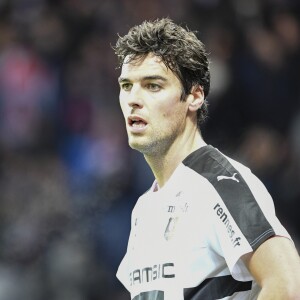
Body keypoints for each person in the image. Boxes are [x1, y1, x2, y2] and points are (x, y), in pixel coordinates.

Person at [113, 18, 300, 300]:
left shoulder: (219, 183)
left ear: (194, 96)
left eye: (153, 86)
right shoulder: (144, 209)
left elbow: (287, 285)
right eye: (126, 85)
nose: (133, 99)